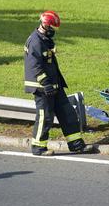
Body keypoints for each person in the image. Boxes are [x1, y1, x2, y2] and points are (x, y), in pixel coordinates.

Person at [24, 11, 96, 156]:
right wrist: (46, 83)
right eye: (52, 28)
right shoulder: (35, 41)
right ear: (45, 25)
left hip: (55, 85)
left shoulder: (44, 39)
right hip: (42, 87)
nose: (54, 31)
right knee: (45, 117)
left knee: (68, 114)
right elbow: (34, 65)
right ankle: (38, 147)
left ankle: (76, 145)